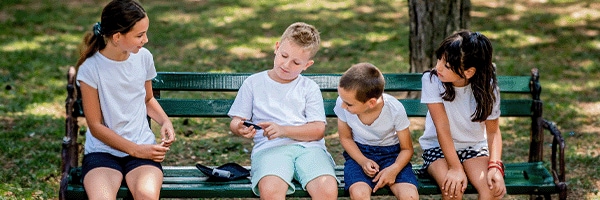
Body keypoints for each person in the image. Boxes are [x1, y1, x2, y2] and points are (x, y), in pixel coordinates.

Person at [75, 0, 175, 199]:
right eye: (139, 35)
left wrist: (165, 121)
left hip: (142, 150)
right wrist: (137, 150)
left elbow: (147, 99)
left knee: (146, 195)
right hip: (102, 153)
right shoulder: (90, 69)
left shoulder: (144, 58)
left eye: (145, 33)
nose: (145, 40)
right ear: (117, 36)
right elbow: (95, 126)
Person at [228, 22, 338, 199]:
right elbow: (236, 121)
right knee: (271, 190)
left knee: (327, 190)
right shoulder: (254, 83)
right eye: (284, 55)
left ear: (307, 65)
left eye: (296, 62)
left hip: (309, 149)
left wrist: (283, 130)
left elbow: (318, 131)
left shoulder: (309, 87)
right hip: (270, 149)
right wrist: (238, 127)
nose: (286, 65)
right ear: (276, 48)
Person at [418, 30, 506, 200]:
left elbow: (493, 131)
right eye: (439, 60)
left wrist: (495, 166)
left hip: (473, 147)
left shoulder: (489, 88)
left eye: (447, 66)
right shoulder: (432, 80)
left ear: (468, 72)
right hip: (438, 147)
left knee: (491, 190)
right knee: (453, 190)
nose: (438, 68)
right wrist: (455, 167)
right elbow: (442, 127)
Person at [334, 63, 419, 200]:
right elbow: (346, 138)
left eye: (349, 104)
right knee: (359, 194)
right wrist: (363, 161)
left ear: (371, 103)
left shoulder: (394, 109)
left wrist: (394, 169)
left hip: (392, 156)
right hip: (359, 154)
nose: (343, 105)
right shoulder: (343, 104)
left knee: (409, 195)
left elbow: (407, 149)